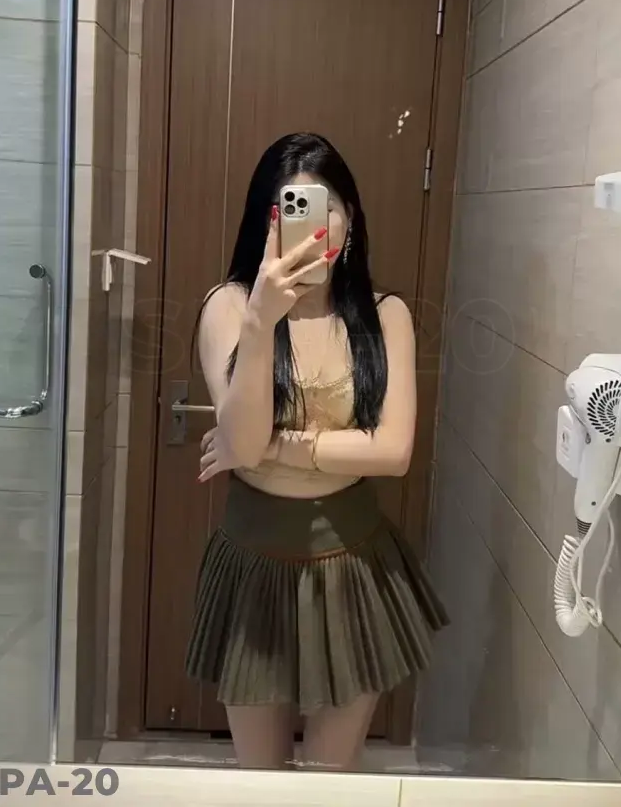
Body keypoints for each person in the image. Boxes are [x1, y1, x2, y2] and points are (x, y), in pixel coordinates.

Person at [186, 133, 448, 771]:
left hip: (354, 564)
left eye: (327, 207)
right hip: (252, 565)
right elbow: (245, 443)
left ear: (350, 218)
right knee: (261, 782)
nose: (314, 225)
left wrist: (281, 446)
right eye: (293, 209)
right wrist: (261, 320)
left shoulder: (386, 316)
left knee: (333, 778)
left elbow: (393, 452)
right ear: (268, 222)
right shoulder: (229, 307)